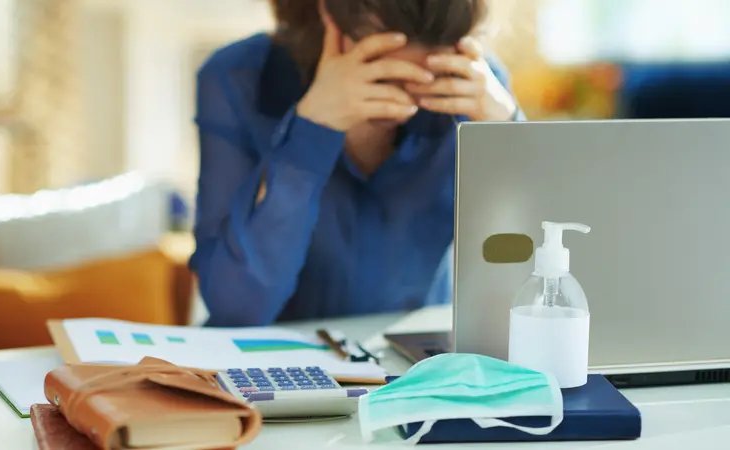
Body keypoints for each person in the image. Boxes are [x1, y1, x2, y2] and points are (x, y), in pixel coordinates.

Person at [191, 0, 524, 327]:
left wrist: (511, 135)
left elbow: (542, 283)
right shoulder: (239, 78)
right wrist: (310, 130)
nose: (408, 99)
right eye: (384, 74)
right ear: (329, 14)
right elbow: (236, 310)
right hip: (277, 365)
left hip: (419, 369)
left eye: (429, 75)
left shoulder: (477, 89)